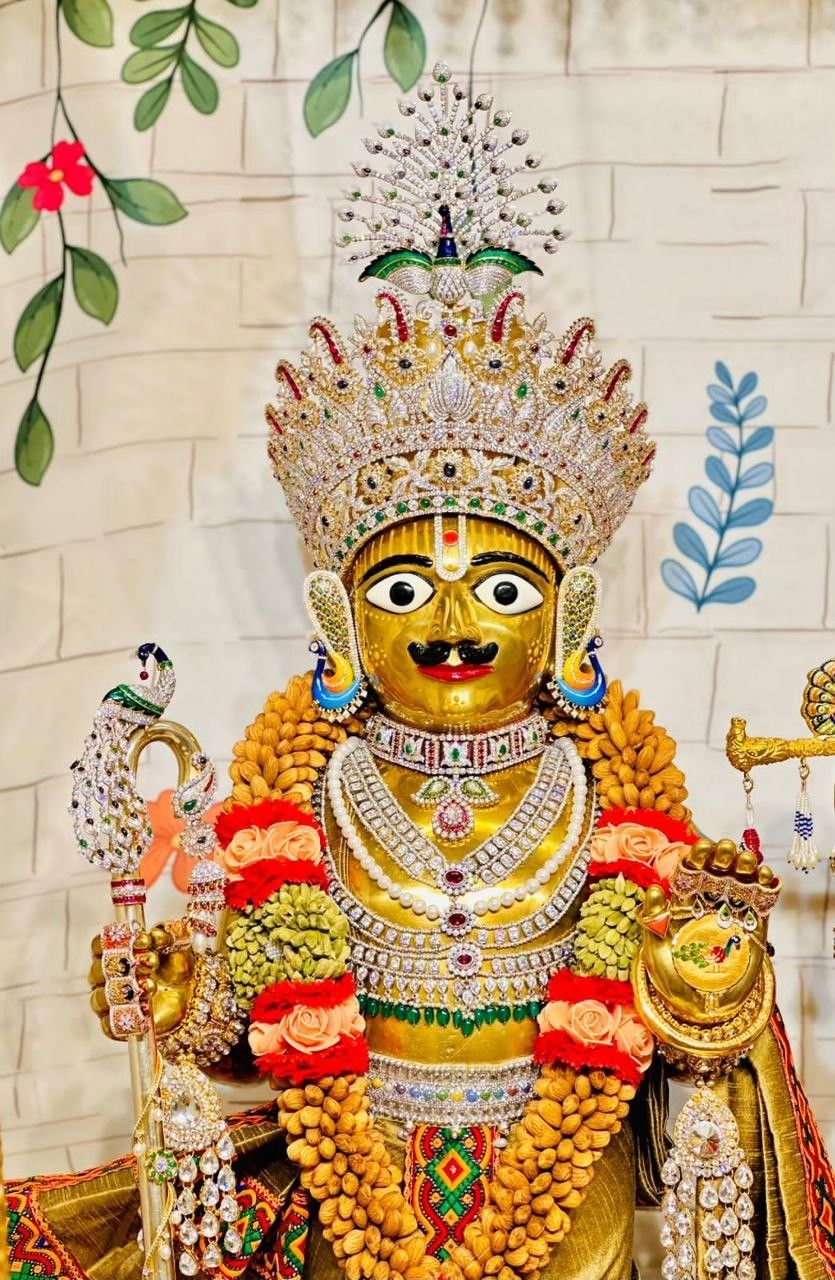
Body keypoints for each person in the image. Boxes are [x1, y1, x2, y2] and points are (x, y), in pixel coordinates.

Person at [7, 61, 835, 1280]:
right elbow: (253, 1027)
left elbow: (682, 1037)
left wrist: (707, 975)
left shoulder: (607, 801)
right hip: (354, 1193)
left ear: (568, 612)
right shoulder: (305, 799)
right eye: (403, 591)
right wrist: (181, 993)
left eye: (501, 589)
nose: (451, 619)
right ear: (338, 618)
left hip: (568, 1202)